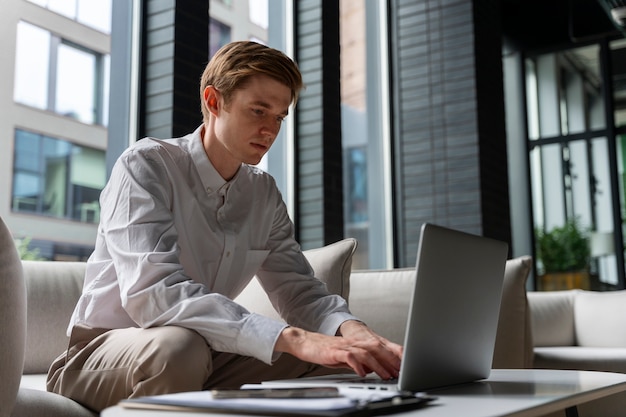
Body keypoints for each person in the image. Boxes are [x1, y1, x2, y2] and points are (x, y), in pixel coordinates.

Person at [47, 41, 403, 412]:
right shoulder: (146, 165)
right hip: (104, 356)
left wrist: (356, 334)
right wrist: (292, 337)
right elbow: (154, 295)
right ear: (214, 102)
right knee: (180, 347)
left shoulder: (262, 192)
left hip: (204, 349)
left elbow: (300, 292)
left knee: (336, 354)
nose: (270, 130)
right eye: (258, 111)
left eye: (279, 117)